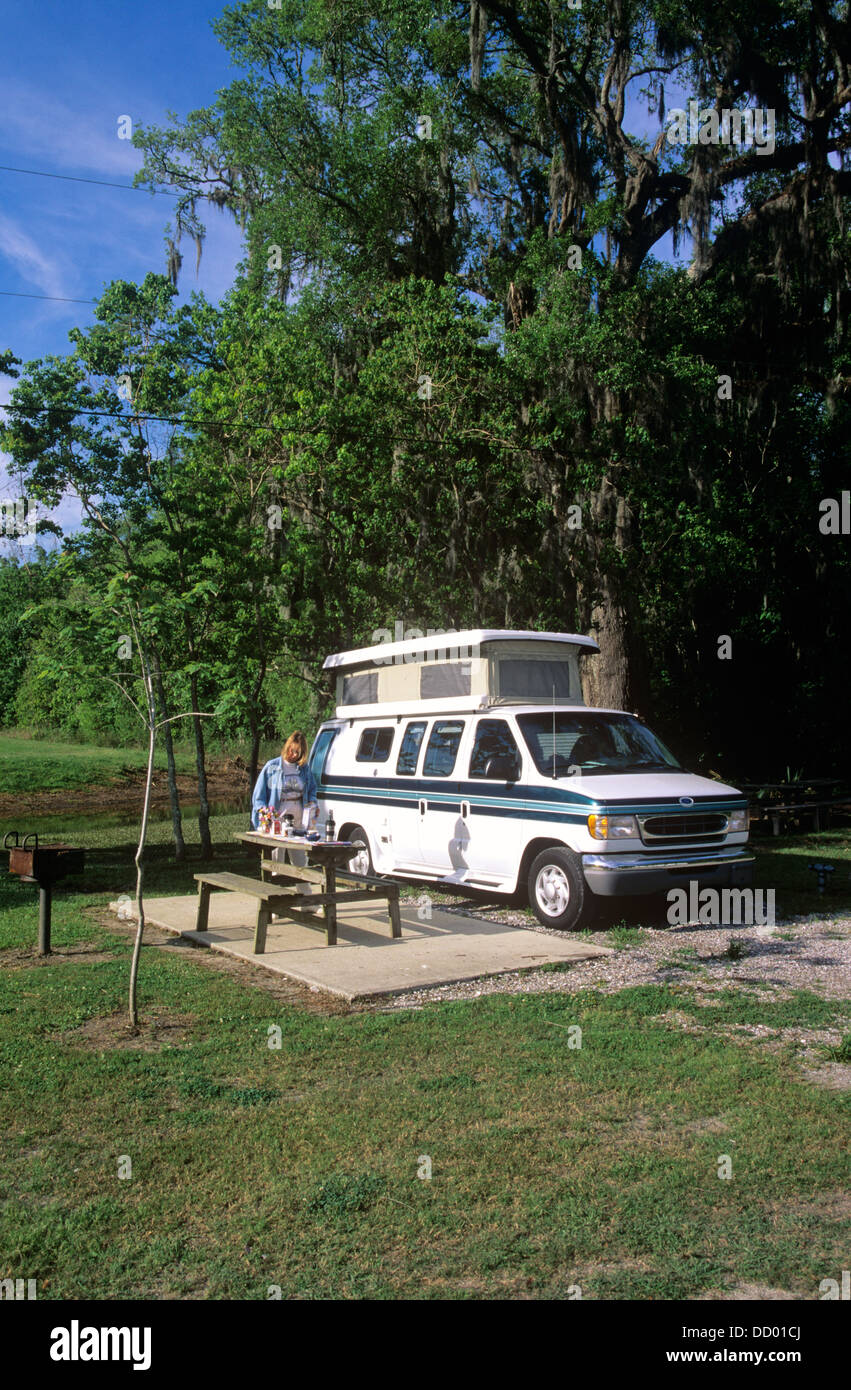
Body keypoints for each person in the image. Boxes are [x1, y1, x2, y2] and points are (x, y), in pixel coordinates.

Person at [252, 732, 319, 869]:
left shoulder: (304, 769)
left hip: (299, 822)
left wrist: (312, 803)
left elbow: (312, 789)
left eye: (298, 752)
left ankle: (304, 889)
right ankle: (276, 889)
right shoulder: (272, 767)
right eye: (292, 750)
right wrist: (264, 815)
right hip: (277, 821)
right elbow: (259, 797)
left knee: (301, 865)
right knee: (276, 864)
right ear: (287, 747)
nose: (294, 754)